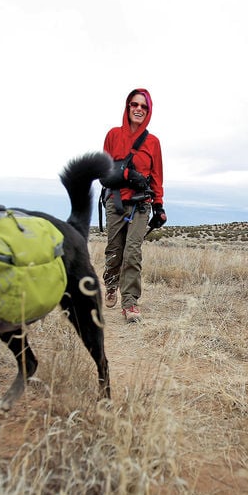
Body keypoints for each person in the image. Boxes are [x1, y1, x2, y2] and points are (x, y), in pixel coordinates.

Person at [101, 88, 165, 323]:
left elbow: (157, 176)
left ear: (148, 112)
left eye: (144, 107)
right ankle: (110, 282)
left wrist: (159, 206)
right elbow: (104, 172)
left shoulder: (153, 142)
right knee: (114, 249)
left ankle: (130, 303)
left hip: (141, 204)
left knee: (133, 252)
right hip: (115, 200)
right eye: (134, 105)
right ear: (127, 107)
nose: (139, 109)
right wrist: (128, 174)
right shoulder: (113, 135)